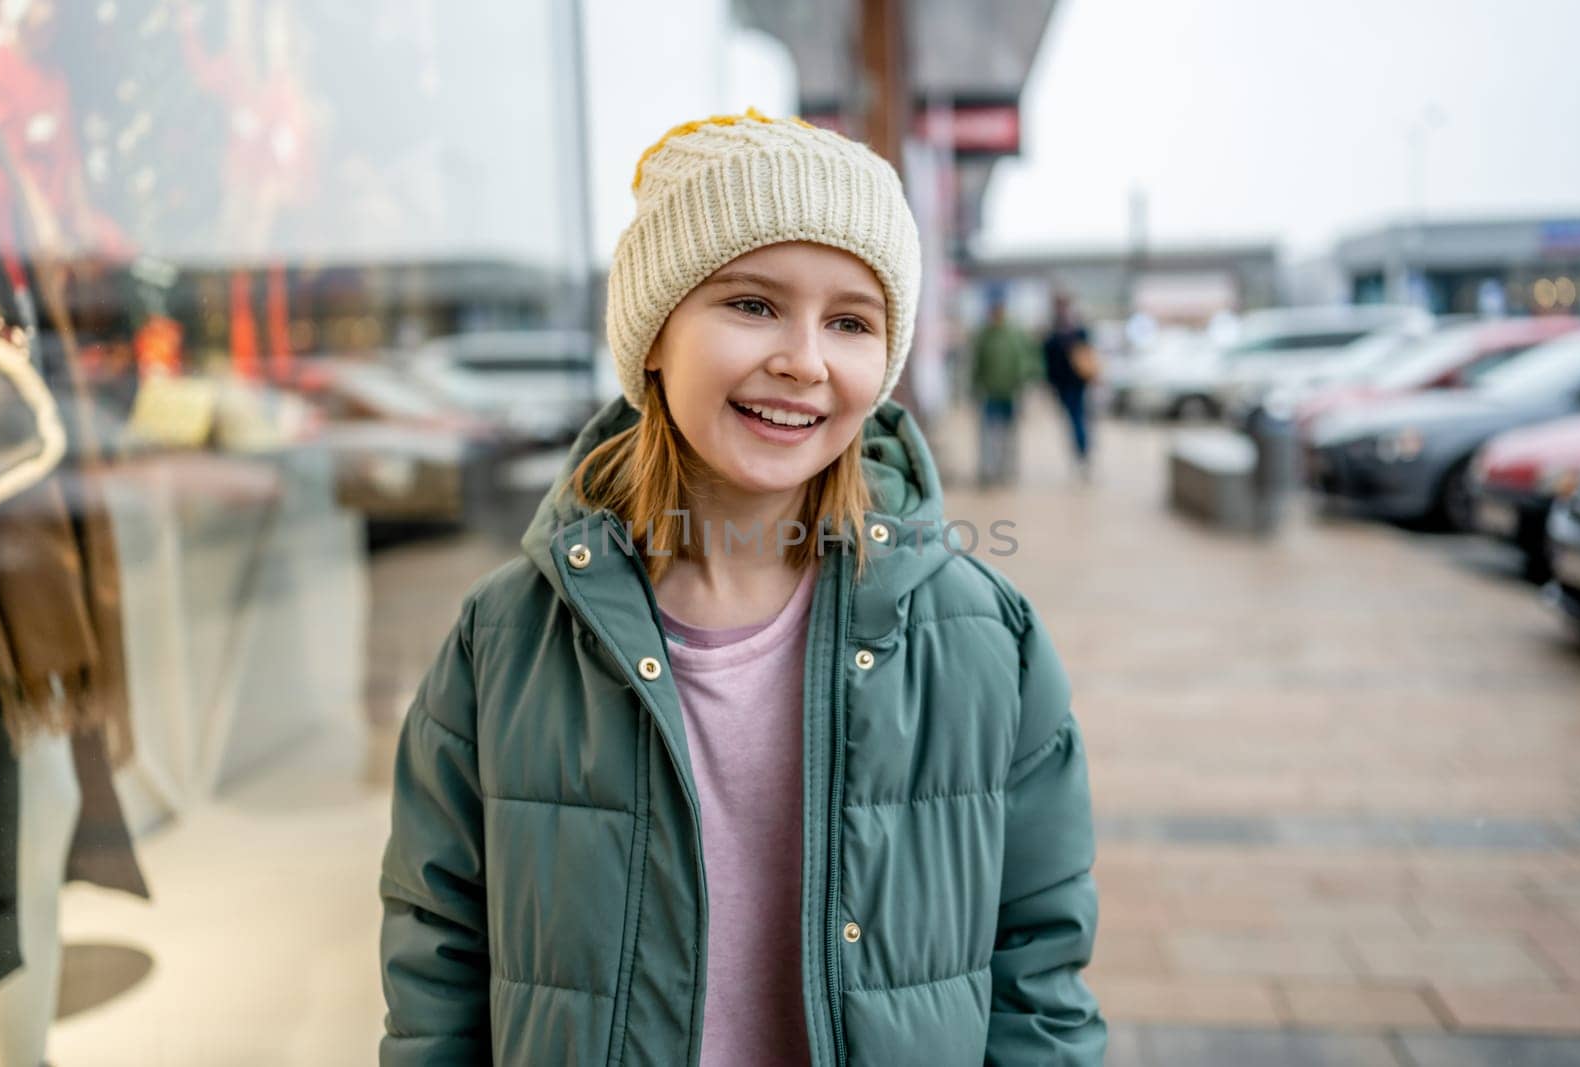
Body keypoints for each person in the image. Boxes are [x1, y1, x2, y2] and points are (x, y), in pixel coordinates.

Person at [378, 109, 1104, 1066]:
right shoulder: (505, 640)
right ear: (652, 335)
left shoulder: (983, 639)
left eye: (850, 321)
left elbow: (1037, 973)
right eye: (752, 304)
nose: (803, 359)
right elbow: (439, 958)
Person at [969, 295, 1038, 487]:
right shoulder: (984, 335)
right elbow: (976, 364)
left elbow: (1027, 360)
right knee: (988, 435)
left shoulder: (1015, 334)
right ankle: (988, 471)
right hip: (989, 393)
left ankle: (1007, 470)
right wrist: (974, 387)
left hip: (1010, 393)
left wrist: (1023, 383)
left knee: (1009, 434)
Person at [1042, 291, 1096, 480]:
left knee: (1077, 419)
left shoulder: (1073, 331)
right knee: (1075, 420)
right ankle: (1081, 454)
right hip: (1066, 385)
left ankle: (1082, 453)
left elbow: (1088, 355)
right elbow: (1048, 361)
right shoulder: (1057, 333)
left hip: (1075, 384)